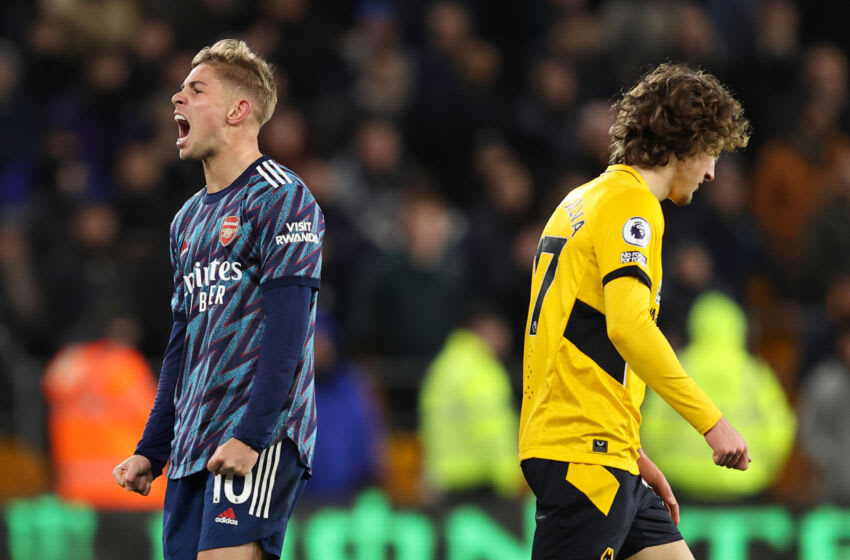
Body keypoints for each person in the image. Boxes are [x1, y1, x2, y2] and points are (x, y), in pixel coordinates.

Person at [519, 63, 751, 560]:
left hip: (600, 446)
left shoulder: (579, 201)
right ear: (686, 142)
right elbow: (628, 327)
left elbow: (570, 334)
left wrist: (633, 450)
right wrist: (712, 423)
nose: (712, 171)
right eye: (711, 152)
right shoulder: (633, 208)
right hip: (585, 454)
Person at [111, 39, 324, 560]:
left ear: (238, 109)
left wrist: (251, 435)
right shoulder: (186, 220)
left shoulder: (282, 196)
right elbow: (182, 344)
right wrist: (152, 448)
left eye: (195, 89)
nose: (176, 99)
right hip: (192, 448)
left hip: (259, 436)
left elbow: (288, 330)